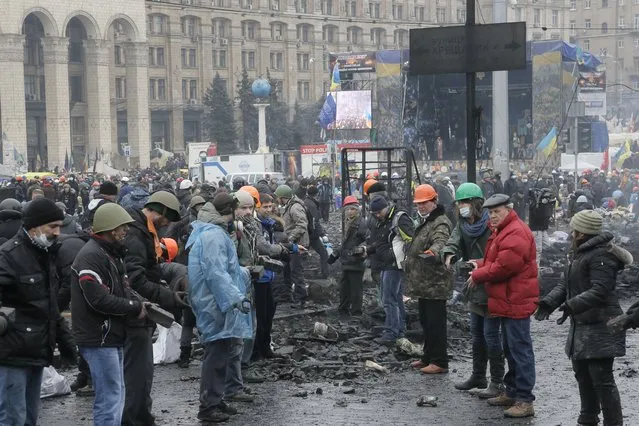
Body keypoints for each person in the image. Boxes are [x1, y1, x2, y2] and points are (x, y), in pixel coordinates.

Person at [536, 210, 631, 426]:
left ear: (581, 232)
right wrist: (549, 302)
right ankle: (587, 419)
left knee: (602, 380)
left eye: (573, 229)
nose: (570, 233)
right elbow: (565, 283)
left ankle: (612, 423)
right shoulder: (579, 253)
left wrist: (571, 305)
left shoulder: (601, 256)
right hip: (583, 324)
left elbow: (601, 291)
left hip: (602, 325)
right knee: (583, 375)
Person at [71, 203, 148, 426]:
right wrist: (134, 307)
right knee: (109, 398)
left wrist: (139, 301)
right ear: (111, 229)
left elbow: (121, 288)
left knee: (116, 393)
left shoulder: (110, 253)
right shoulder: (91, 257)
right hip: (99, 337)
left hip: (109, 334)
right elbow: (98, 300)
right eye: (123, 227)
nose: (126, 231)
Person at [467, 193, 538, 418]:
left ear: (508, 210)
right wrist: (478, 263)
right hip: (508, 300)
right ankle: (513, 392)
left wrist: (478, 274)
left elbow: (505, 267)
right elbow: (496, 261)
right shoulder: (504, 231)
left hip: (515, 299)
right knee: (511, 348)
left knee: (520, 350)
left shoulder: (515, 232)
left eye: (497, 211)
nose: (492, 216)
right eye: (490, 212)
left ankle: (525, 400)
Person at [0, 198, 70, 425]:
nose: (57, 232)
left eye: (59, 226)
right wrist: (7, 321)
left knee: (30, 416)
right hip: (12, 353)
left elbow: (48, 304)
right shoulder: (9, 256)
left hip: (37, 349)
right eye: (52, 226)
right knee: (13, 417)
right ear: (34, 226)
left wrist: (64, 339)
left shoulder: (45, 253)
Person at [122, 191, 188, 425]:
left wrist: (172, 279)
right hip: (136, 311)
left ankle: (141, 416)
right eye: (167, 218)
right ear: (157, 211)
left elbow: (152, 269)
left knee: (143, 371)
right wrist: (169, 297)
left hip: (142, 308)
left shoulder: (143, 231)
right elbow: (137, 278)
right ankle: (133, 419)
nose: (168, 224)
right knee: (137, 372)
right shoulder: (135, 234)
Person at [187, 193, 253, 423]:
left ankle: (216, 398)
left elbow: (227, 270)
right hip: (214, 304)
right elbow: (216, 273)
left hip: (217, 302)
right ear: (231, 211)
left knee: (222, 353)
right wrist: (237, 298)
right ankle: (208, 407)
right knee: (215, 355)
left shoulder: (212, 232)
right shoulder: (214, 235)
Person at [442, 183, 503, 397]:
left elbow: (497, 257)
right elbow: (454, 240)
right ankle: (478, 375)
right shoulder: (462, 224)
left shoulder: (491, 225)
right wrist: (449, 253)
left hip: (491, 285)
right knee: (477, 335)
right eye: (459, 203)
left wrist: (478, 265)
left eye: (465, 202)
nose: (461, 206)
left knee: (491, 335)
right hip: (474, 285)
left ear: (476, 204)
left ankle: (497, 381)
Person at [404, 184, 452, 374]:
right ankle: (428, 356)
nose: (421, 207)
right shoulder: (427, 221)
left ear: (434, 201)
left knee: (435, 323)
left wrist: (433, 251)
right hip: (425, 283)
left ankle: (440, 361)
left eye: (425, 203)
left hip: (435, 282)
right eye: (418, 204)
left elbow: (441, 242)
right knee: (426, 320)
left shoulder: (440, 222)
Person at [366, 196, 414, 344]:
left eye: (379, 212)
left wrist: (404, 257)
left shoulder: (399, 218)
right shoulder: (384, 220)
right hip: (387, 263)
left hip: (394, 264)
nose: (377, 215)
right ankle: (399, 329)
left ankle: (391, 332)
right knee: (396, 297)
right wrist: (368, 250)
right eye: (375, 214)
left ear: (386, 207)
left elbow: (412, 239)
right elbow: (382, 242)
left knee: (388, 299)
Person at [329, 196, 368, 316]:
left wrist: (360, 249)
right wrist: (335, 254)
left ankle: (356, 313)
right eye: (348, 209)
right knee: (344, 288)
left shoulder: (361, 223)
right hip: (347, 261)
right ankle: (343, 309)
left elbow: (368, 240)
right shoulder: (348, 222)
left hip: (356, 261)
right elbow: (345, 243)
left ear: (357, 210)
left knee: (356, 290)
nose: (350, 211)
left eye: (353, 209)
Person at [274, 185, 309, 307]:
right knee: (288, 271)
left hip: (297, 244)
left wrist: (290, 238)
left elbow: (302, 225)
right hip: (293, 244)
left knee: (296, 272)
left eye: (278, 197)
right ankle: (290, 296)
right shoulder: (290, 206)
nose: (276, 199)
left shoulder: (295, 208)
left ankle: (301, 300)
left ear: (283, 197)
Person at [304, 185, 329, 279]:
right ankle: (325, 275)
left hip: (305, 233)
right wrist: (322, 234)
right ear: (316, 194)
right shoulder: (312, 205)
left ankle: (301, 275)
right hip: (312, 234)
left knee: (302, 255)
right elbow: (315, 222)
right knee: (324, 254)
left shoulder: (305, 202)